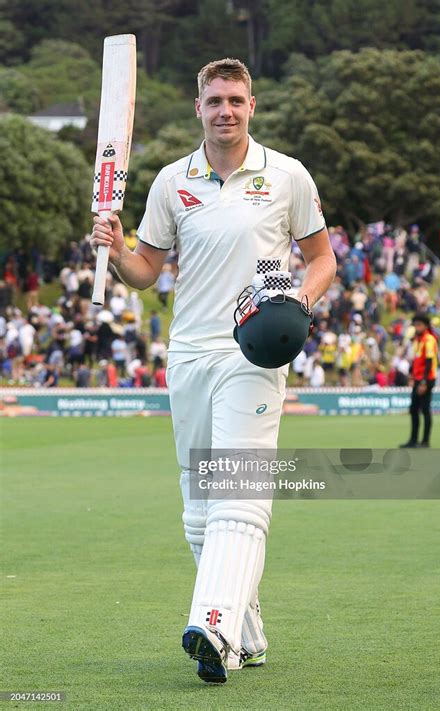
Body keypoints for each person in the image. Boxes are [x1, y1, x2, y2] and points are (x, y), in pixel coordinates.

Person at [91, 57, 336, 684]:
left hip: (253, 350)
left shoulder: (287, 176)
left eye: (236, 99)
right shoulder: (174, 181)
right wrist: (116, 250)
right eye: (214, 101)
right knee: (200, 509)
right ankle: (245, 635)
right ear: (198, 109)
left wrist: (297, 303)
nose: (225, 109)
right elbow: (146, 271)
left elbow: (321, 260)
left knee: (237, 492)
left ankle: (214, 621)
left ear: (251, 106)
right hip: (190, 351)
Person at [400, 314, 438, 448]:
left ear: (426, 326)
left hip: (426, 379)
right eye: (415, 325)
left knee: (425, 410)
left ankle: (425, 441)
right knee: (413, 409)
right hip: (418, 378)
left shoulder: (429, 339)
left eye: (419, 325)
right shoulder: (418, 339)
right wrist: (412, 374)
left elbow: (428, 362)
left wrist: (423, 382)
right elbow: (417, 360)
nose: (417, 327)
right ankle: (413, 440)